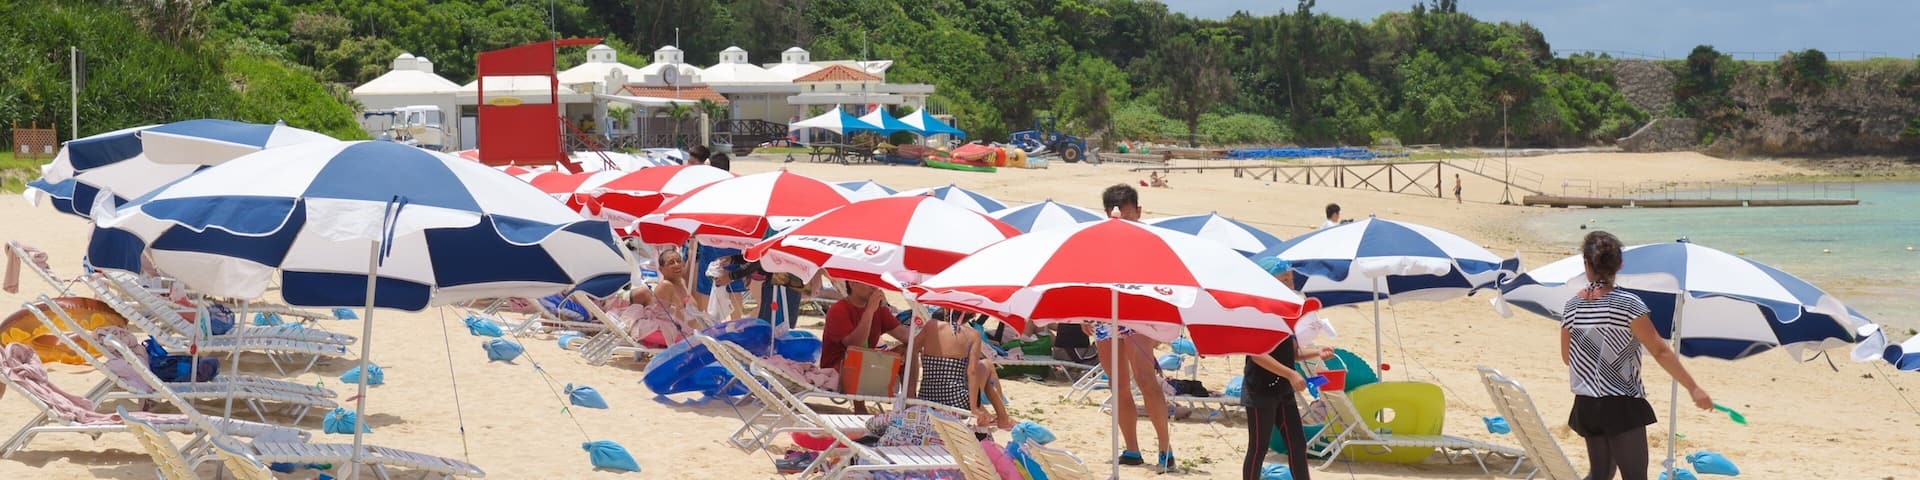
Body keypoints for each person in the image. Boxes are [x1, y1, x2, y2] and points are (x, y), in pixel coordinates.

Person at [1562, 231, 1712, 480]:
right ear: (1619, 264)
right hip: (1621, 403)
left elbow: (1567, 357)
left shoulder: (1571, 306)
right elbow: (1660, 350)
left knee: (1600, 475)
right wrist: (1693, 388)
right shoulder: (1629, 304)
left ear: (1586, 264)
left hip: (1587, 403)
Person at [1086, 184, 1176, 470]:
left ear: (1139, 211)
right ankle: (1132, 449)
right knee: (1119, 385)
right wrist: (1084, 313)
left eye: (1129, 214)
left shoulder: (1153, 241)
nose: (1124, 220)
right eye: (1117, 215)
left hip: (1140, 312)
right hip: (1106, 313)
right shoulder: (1099, 242)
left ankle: (1165, 447)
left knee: (1146, 378)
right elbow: (1090, 278)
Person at [1242, 257, 1334, 480]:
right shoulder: (1259, 313)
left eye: (1291, 280)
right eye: (1284, 280)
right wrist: (1291, 373)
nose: (1290, 285)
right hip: (1260, 388)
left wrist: (1316, 352)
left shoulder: (1287, 312)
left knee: (1297, 444)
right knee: (1259, 447)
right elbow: (1257, 355)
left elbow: (1290, 351)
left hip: (1282, 388)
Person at [905, 309, 1011, 437]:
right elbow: (972, 371)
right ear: (970, 317)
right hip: (956, 401)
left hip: (927, 396)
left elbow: (911, 351)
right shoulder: (972, 335)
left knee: (984, 368)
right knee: (986, 365)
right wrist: (974, 408)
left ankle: (1002, 418)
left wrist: (911, 390)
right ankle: (1003, 418)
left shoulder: (931, 325)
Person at [820, 280, 910, 414]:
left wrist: (919, 339)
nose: (874, 287)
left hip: (867, 364)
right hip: (839, 368)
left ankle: (909, 403)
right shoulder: (838, 310)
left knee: (910, 349)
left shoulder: (879, 310)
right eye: (868, 283)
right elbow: (855, 344)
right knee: (858, 355)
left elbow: (905, 335)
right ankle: (859, 408)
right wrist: (869, 310)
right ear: (852, 284)